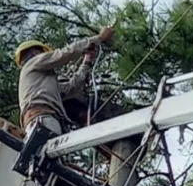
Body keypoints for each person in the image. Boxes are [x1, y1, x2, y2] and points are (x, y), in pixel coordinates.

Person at [14, 26, 116, 161]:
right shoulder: (33, 63)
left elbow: (72, 88)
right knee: (48, 164)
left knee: (50, 166)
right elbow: (64, 54)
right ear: (34, 53)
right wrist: (98, 38)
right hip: (42, 119)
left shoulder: (44, 84)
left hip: (46, 119)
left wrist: (86, 62)